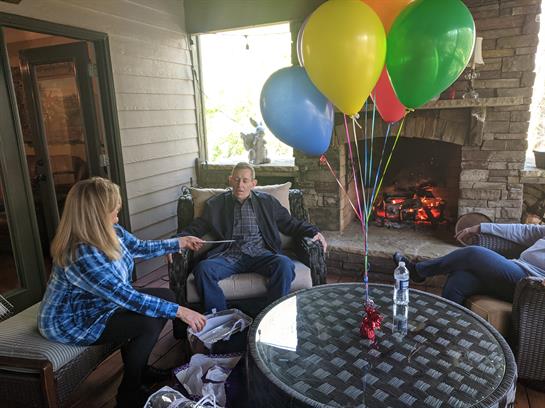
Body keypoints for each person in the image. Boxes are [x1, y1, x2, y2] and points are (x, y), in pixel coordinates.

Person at [38, 177, 207, 408]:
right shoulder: (82, 253)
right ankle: (129, 393)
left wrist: (180, 242)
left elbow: (138, 247)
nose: (118, 213)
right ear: (96, 214)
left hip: (102, 304)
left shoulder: (111, 230)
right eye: (113, 209)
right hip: (75, 320)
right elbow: (127, 297)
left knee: (166, 298)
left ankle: (140, 369)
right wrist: (182, 312)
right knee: (147, 323)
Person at [178, 162, 327, 313]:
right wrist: (177, 240)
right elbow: (198, 226)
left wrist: (313, 232)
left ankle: (270, 314)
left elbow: (290, 224)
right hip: (229, 256)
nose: (240, 185)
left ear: (253, 183)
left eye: (245, 181)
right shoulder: (216, 204)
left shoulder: (267, 202)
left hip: (261, 254)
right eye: (236, 180)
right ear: (230, 180)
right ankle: (221, 318)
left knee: (285, 265)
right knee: (203, 269)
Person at [393, 222, 545, 305]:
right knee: (459, 279)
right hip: (516, 268)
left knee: (473, 253)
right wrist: (480, 227)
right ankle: (445, 328)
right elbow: (526, 231)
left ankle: (418, 271)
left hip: (530, 283)